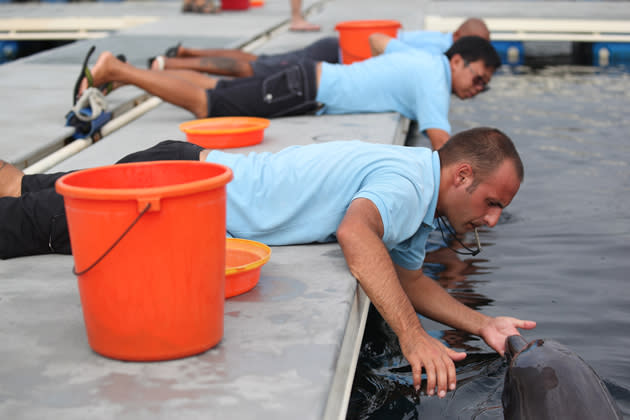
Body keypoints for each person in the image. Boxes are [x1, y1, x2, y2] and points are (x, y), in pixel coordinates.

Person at [0, 127, 536, 397]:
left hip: (182, 172)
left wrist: (482, 323)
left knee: (19, 189)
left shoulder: (416, 187)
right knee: (19, 226)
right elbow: (356, 234)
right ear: (462, 176)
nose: (492, 221)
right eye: (493, 203)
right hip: (170, 198)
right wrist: (413, 337)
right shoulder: (406, 184)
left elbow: (409, 277)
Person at [76, 36, 500, 149]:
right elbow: (445, 146)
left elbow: (376, 40)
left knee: (221, 90)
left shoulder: (425, 60)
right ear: (458, 61)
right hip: (307, 89)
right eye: (478, 79)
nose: (477, 90)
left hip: (309, 77)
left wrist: (377, 79)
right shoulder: (435, 80)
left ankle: (119, 74)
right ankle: (120, 70)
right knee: (210, 105)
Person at [149, 18, 488, 76]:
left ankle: (187, 53)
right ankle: (170, 66)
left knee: (258, 60)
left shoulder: (437, 37)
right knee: (253, 68)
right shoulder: (442, 53)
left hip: (335, 46)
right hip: (335, 57)